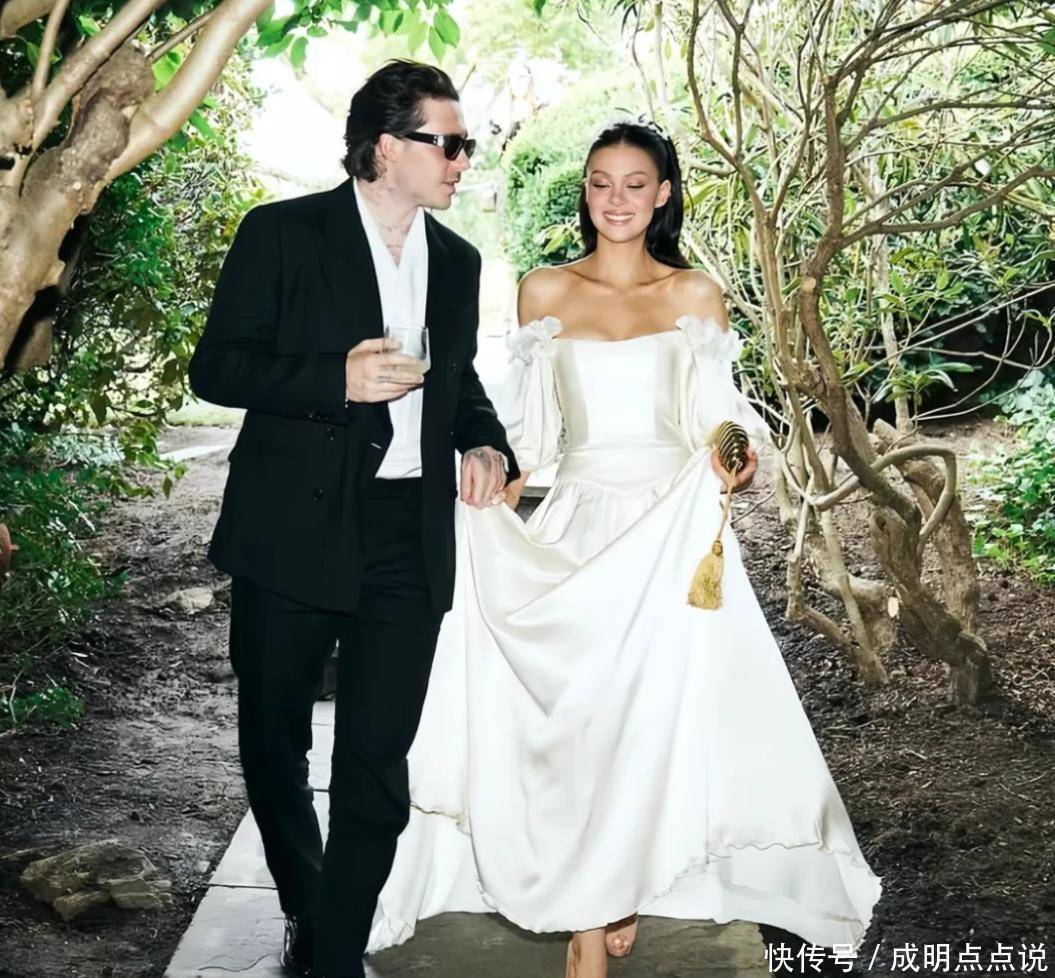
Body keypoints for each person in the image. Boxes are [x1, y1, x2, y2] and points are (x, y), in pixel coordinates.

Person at [364, 121, 883, 977]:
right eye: (600, 182)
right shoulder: (543, 290)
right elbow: (532, 431)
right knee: (582, 723)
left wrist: (734, 454)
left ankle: (603, 904)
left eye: (635, 183)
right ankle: (594, 899)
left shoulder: (695, 295)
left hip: (670, 533)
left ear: (663, 194)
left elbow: (715, 419)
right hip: (579, 525)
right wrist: (490, 481)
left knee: (648, 722)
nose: (616, 199)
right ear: (585, 192)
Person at [188, 60, 518, 978]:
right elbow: (216, 368)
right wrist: (333, 379)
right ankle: (305, 901)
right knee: (275, 741)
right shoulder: (282, 234)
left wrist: (485, 441)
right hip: (290, 529)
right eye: (447, 143)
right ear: (385, 147)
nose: (462, 161)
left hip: (407, 536)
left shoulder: (459, 262)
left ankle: (333, 953)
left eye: (465, 145)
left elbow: (459, 379)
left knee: (376, 762)